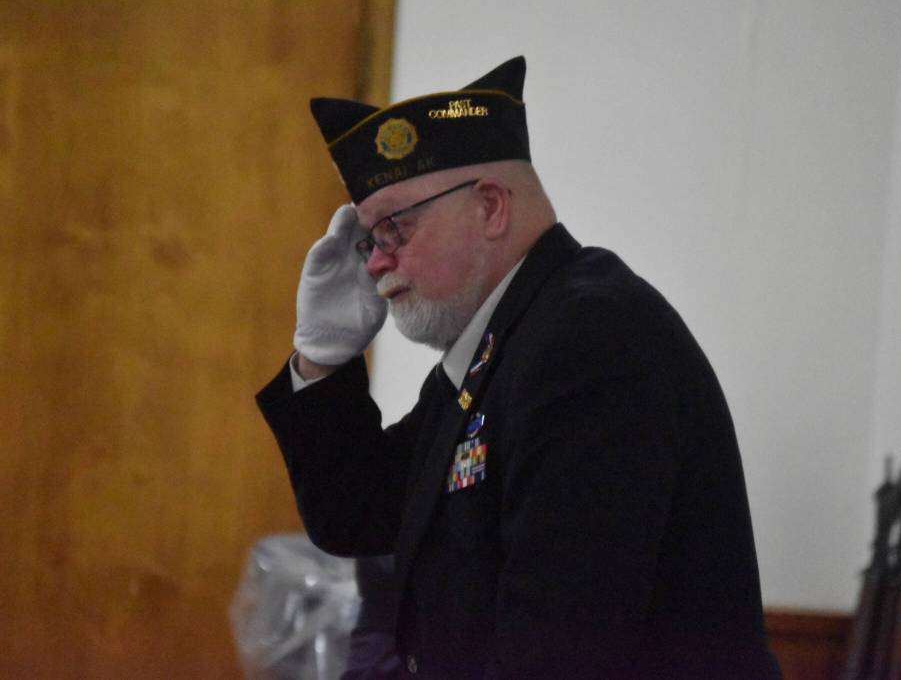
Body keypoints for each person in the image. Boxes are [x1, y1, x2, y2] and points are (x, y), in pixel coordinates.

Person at [257, 56, 780, 679]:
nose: (374, 264)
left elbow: (559, 654)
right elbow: (360, 514)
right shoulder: (502, 345)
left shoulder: (589, 343)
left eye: (395, 228)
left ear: (489, 208)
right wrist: (322, 357)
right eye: (371, 239)